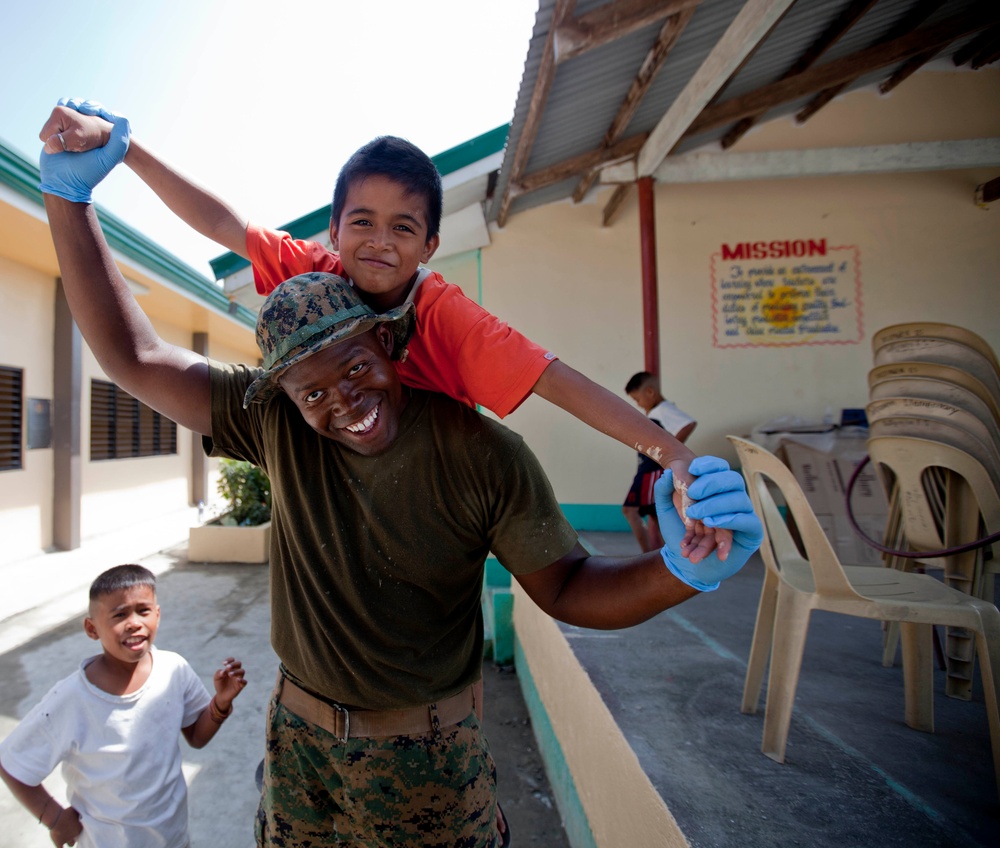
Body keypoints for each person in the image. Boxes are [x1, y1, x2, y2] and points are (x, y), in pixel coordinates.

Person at [36, 113, 763, 847]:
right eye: (311, 389)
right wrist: (75, 193)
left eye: (355, 369)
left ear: (390, 339)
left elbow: (566, 556)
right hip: (298, 757)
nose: (341, 401)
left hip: (430, 771)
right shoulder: (282, 409)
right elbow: (137, 351)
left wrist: (679, 552)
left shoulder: (475, 429)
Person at [37, 98, 737, 564]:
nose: (379, 241)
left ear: (431, 244)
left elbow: (558, 381)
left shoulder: (448, 317)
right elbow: (224, 224)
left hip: (425, 474)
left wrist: (666, 453)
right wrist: (127, 150)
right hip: (342, 465)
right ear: (334, 229)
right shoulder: (314, 274)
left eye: (403, 227)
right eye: (361, 222)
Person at [0, 564, 247, 848]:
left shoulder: (173, 669)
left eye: (143, 611)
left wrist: (220, 703)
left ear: (158, 614)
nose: (134, 623)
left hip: (174, 839)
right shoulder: (71, 699)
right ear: (92, 629)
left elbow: (197, 737)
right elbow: (11, 762)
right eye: (119, 614)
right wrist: (55, 819)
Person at [622, 371, 697, 552]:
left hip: (651, 470)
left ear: (650, 392)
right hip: (647, 469)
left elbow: (688, 423)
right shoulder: (656, 411)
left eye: (637, 399)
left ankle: (648, 554)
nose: (638, 404)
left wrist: (671, 451)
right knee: (657, 513)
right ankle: (667, 553)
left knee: (630, 510)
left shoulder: (663, 410)